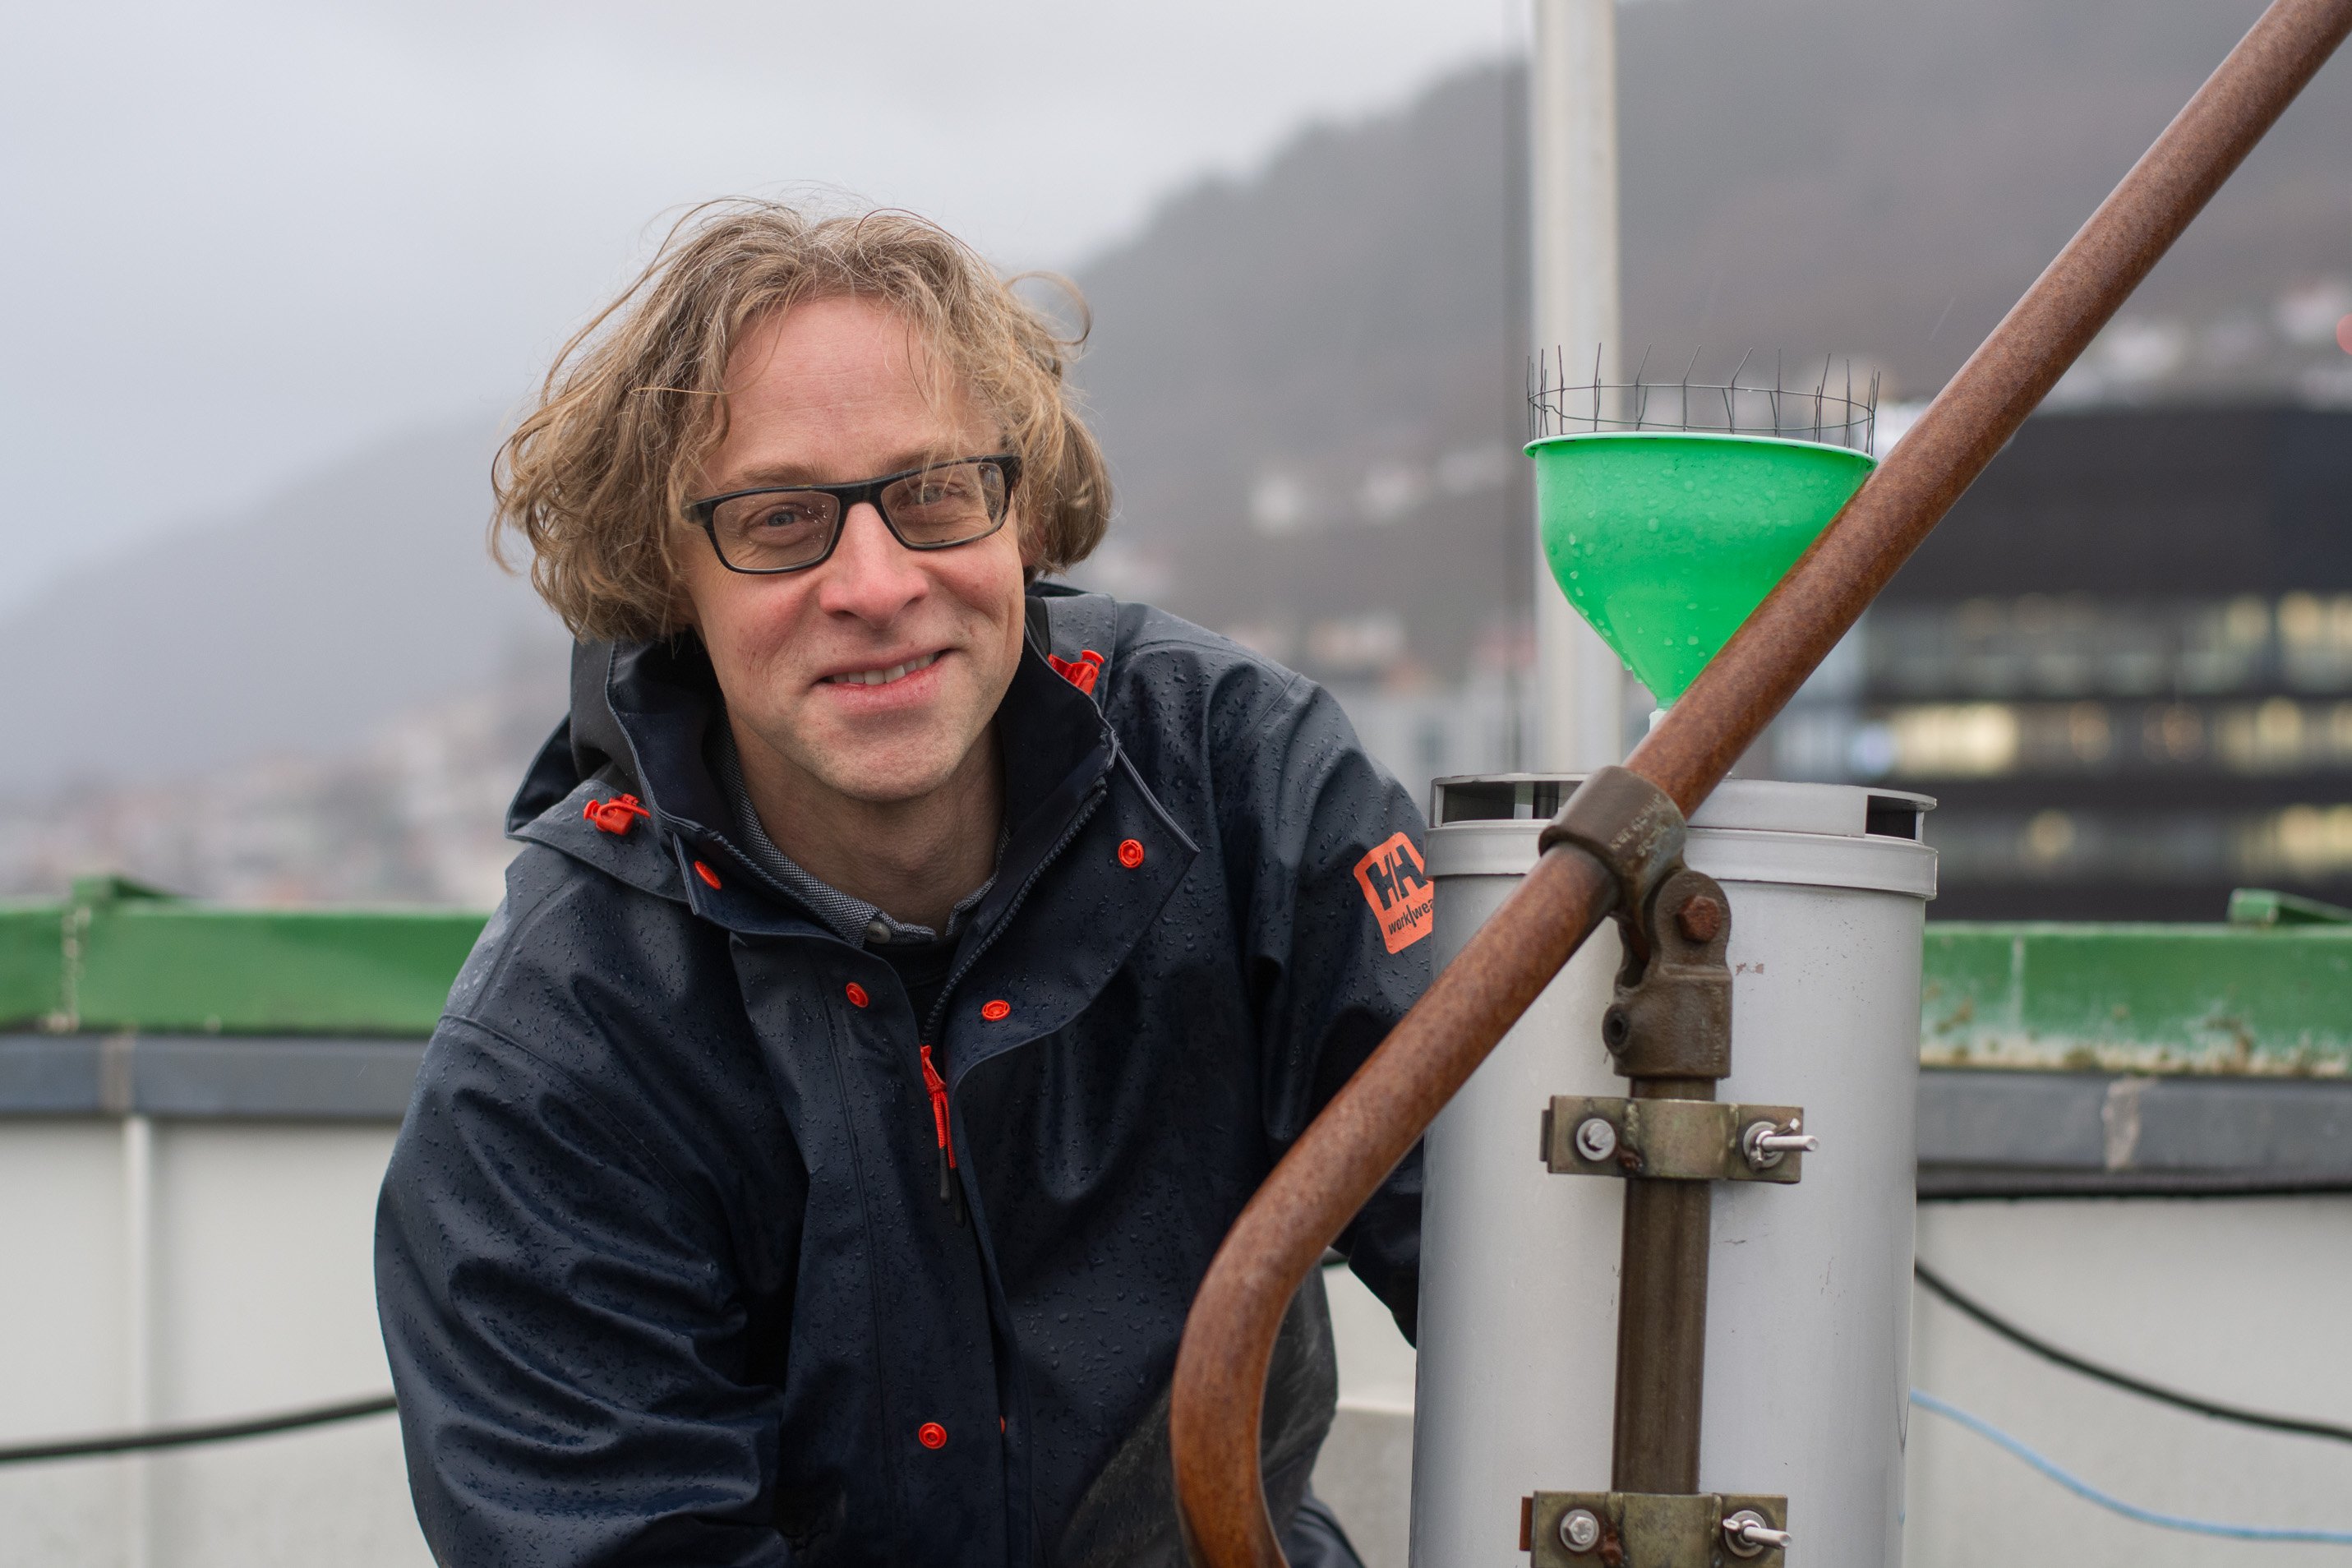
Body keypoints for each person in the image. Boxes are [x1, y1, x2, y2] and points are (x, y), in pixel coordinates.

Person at [374, 201, 1429, 1567]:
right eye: (778, 520)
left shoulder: (1238, 784)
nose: (874, 585)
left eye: (933, 493)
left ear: (1023, 512)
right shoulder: (557, 1049)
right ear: (663, 572)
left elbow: (1515, 1250)